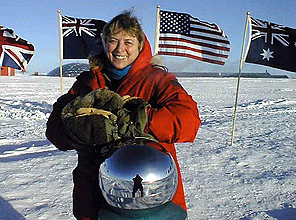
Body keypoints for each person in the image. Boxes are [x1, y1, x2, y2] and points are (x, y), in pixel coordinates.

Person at [46, 10, 201, 220]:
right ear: (104, 44)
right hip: (93, 192)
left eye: (128, 42)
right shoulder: (87, 83)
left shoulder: (158, 80)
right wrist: (75, 131)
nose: (120, 49)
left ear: (140, 46)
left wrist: (136, 121)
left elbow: (187, 122)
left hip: (149, 195)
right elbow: (55, 129)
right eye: (113, 41)